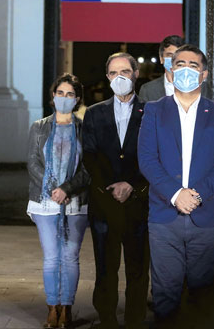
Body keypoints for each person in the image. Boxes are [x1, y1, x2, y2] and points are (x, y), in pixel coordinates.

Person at [138, 44, 214, 327]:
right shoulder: (155, 111)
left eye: (193, 65)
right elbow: (147, 159)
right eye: (179, 63)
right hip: (163, 217)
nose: (185, 69)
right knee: (165, 295)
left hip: (204, 218)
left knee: (202, 295)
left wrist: (196, 195)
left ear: (204, 74)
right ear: (170, 69)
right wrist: (174, 194)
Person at [82, 53, 149, 329]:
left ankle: (135, 320)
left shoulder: (151, 111)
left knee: (137, 270)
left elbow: (154, 154)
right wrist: (110, 187)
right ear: (107, 77)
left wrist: (131, 185)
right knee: (106, 270)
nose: (119, 77)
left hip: (139, 204)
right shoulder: (94, 113)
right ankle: (107, 319)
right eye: (113, 73)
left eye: (124, 71)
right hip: (104, 203)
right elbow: (89, 155)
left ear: (135, 74)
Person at [27, 73, 90, 329]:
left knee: (71, 256)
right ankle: (52, 308)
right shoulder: (38, 126)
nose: (64, 98)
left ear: (77, 100)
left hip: (75, 201)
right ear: (53, 96)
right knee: (52, 257)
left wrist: (67, 188)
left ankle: (67, 308)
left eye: (70, 95)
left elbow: (88, 167)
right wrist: (55, 189)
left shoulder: (84, 128)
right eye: (60, 93)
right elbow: (32, 162)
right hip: (45, 200)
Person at [139, 35, 212, 102]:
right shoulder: (148, 90)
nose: (174, 60)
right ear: (161, 59)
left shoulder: (202, 87)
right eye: (170, 55)